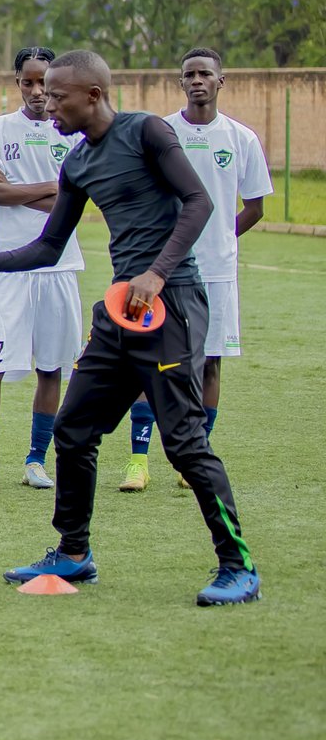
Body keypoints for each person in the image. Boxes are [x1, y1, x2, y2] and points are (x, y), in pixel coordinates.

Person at [0, 49, 260, 607]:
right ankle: (74, 552)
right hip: (118, 312)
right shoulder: (78, 163)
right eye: (44, 94)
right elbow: (48, 246)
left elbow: (199, 202)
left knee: (185, 442)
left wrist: (158, 272)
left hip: (172, 303)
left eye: (58, 95)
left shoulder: (148, 132)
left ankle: (238, 565)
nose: (48, 104)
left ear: (93, 94)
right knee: (74, 429)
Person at [118, 46, 272, 491]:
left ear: (221, 81)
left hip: (217, 272)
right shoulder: (160, 132)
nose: (198, 80)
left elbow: (255, 207)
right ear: (180, 82)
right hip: (163, 270)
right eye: (190, 74)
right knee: (150, 363)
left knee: (208, 365)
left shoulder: (242, 139)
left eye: (206, 73)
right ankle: (138, 462)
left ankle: (194, 458)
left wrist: (221, 237)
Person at [0, 46, 79, 493]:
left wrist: (18, 189)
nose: (36, 91)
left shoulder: (73, 133)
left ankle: (36, 461)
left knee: (51, 368)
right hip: (9, 266)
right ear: (17, 83)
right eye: (28, 82)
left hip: (59, 266)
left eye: (44, 82)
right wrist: (55, 188)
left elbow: (80, 201)